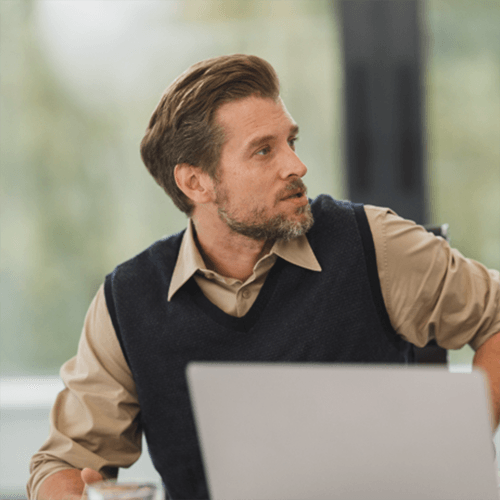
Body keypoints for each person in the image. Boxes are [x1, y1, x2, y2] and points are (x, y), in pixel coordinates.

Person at [28, 54, 500, 500]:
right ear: (195, 182)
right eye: (262, 151)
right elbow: (63, 463)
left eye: (290, 142)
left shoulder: (374, 243)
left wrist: (461, 451)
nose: (296, 165)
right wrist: (71, 490)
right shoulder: (127, 301)